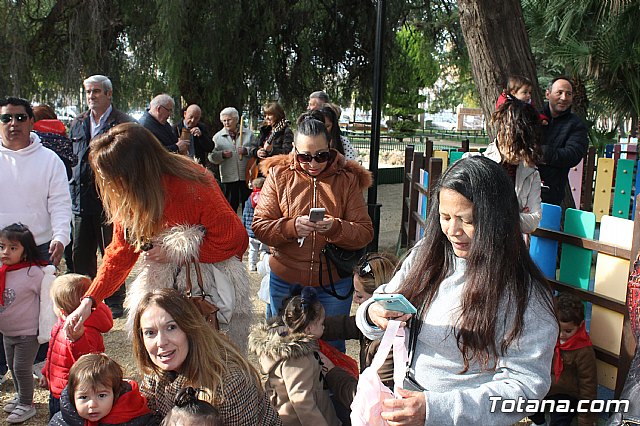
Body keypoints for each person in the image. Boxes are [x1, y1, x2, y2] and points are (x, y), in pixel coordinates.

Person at [356, 156, 558, 425]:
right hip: (405, 406)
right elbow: (379, 304)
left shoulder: (524, 294)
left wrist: (436, 409)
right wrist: (374, 313)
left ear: (497, 220)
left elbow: (525, 388)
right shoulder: (427, 255)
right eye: (445, 216)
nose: (453, 231)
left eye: (467, 220)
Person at [62, 122, 250, 351]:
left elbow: (234, 239)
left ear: (136, 171)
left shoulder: (192, 184)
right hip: (162, 287)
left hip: (204, 290)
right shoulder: (129, 196)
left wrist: (175, 252)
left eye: (114, 176)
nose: (109, 184)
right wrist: (89, 301)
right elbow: (119, 253)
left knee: (207, 355)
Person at [252, 114, 373, 351]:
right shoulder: (279, 175)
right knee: (284, 347)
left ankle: (329, 389)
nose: (313, 163)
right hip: (285, 279)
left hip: (333, 283)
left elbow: (364, 232)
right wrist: (291, 227)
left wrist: (336, 228)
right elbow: (260, 226)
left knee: (330, 347)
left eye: (321, 156)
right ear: (294, 151)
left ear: (330, 148)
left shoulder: (346, 179)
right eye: (305, 156)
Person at [131, 288, 282, 425]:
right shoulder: (156, 372)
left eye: (171, 328)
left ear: (190, 328)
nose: (161, 342)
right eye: (150, 332)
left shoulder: (229, 382)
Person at [69, 75, 135, 318]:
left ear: (109, 94)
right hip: (81, 199)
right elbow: (72, 159)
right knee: (81, 252)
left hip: (112, 200)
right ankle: (86, 298)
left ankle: (116, 300)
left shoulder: (124, 123)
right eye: (88, 92)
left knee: (113, 249)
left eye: (96, 91)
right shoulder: (78, 122)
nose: (91, 96)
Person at [249, 287, 340, 426]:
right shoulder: (299, 359)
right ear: (309, 329)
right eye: (321, 323)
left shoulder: (278, 346)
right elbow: (303, 403)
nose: (324, 327)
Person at [320, 252, 399, 408]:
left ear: (379, 300)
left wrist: (330, 371)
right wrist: (308, 326)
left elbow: (368, 400)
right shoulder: (371, 323)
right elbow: (345, 325)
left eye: (359, 295)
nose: (354, 300)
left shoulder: (393, 343)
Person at [40, 274, 113, 418]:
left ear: (61, 310)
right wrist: (46, 372)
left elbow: (89, 362)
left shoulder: (86, 330)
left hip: (72, 393)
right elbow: (52, 353)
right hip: (56, 386)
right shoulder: (60, 325)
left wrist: (78, 339)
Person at [466, 99, 543, 234]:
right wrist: (516, 215)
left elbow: (533, 222)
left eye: (526, 148)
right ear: (503, 134)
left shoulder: (531, 174)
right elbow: (465, 214)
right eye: (517, 145)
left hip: (510, 249)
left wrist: (491, 214)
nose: (520, 154)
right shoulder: (474, 165)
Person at [0, 224, 46, 423]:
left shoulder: (33, 273)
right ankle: (21, 396)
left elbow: (47, 296)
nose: (5, 252)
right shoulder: (3, 271)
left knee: (21, 368)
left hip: (28, 332)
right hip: (7, 332)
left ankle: (27, 404)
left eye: (12, 248)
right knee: (11, 366)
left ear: (25, 251)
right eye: (1, 246)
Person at [530, 293, 597, 426]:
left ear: (581, 325)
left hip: (567, 393)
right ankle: (540, 423)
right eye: (558, 329)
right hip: (546, 386)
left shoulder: (583, 351)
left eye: (568, 331)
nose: (561, 335)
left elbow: (588, 385)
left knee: (560, 418)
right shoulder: (547, 337)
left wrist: (586, 419)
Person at [48, 353, 156, 426]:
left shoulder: (133, 417)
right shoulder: (62, 421)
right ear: (72, 397)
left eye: (101, 395)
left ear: (115, 393)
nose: (92, 404)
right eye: (83, 397)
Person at [538, 76, 589, 206]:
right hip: (520, 189)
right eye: (559, 93)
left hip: (550, 195)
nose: (564, 98)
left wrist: (540, 153)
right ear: (548, 94)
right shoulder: (532, 117)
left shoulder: (576, 125)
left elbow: (572, 155)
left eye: (568, 94)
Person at [209, 107, 258, 212]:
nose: (226, 123)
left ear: (236, 119)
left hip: (246, 175)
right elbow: (211, 156)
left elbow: (256, 151)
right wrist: (221, 155)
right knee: (231, 205)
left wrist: (247, 151)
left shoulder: (248, 134)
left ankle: (247, 226)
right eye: (224, 121)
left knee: (248, 204)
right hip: (229, 177)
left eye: (229, 120)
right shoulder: (217, 137)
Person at [242, 177, 268, 271]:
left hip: (251, 230)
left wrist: (244, 226)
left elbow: (245, 214)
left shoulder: (249, 199)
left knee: (253, 250)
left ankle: (251, 265)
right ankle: (262, 265)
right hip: (263, 230)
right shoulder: (266, 198)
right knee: (264, 250)